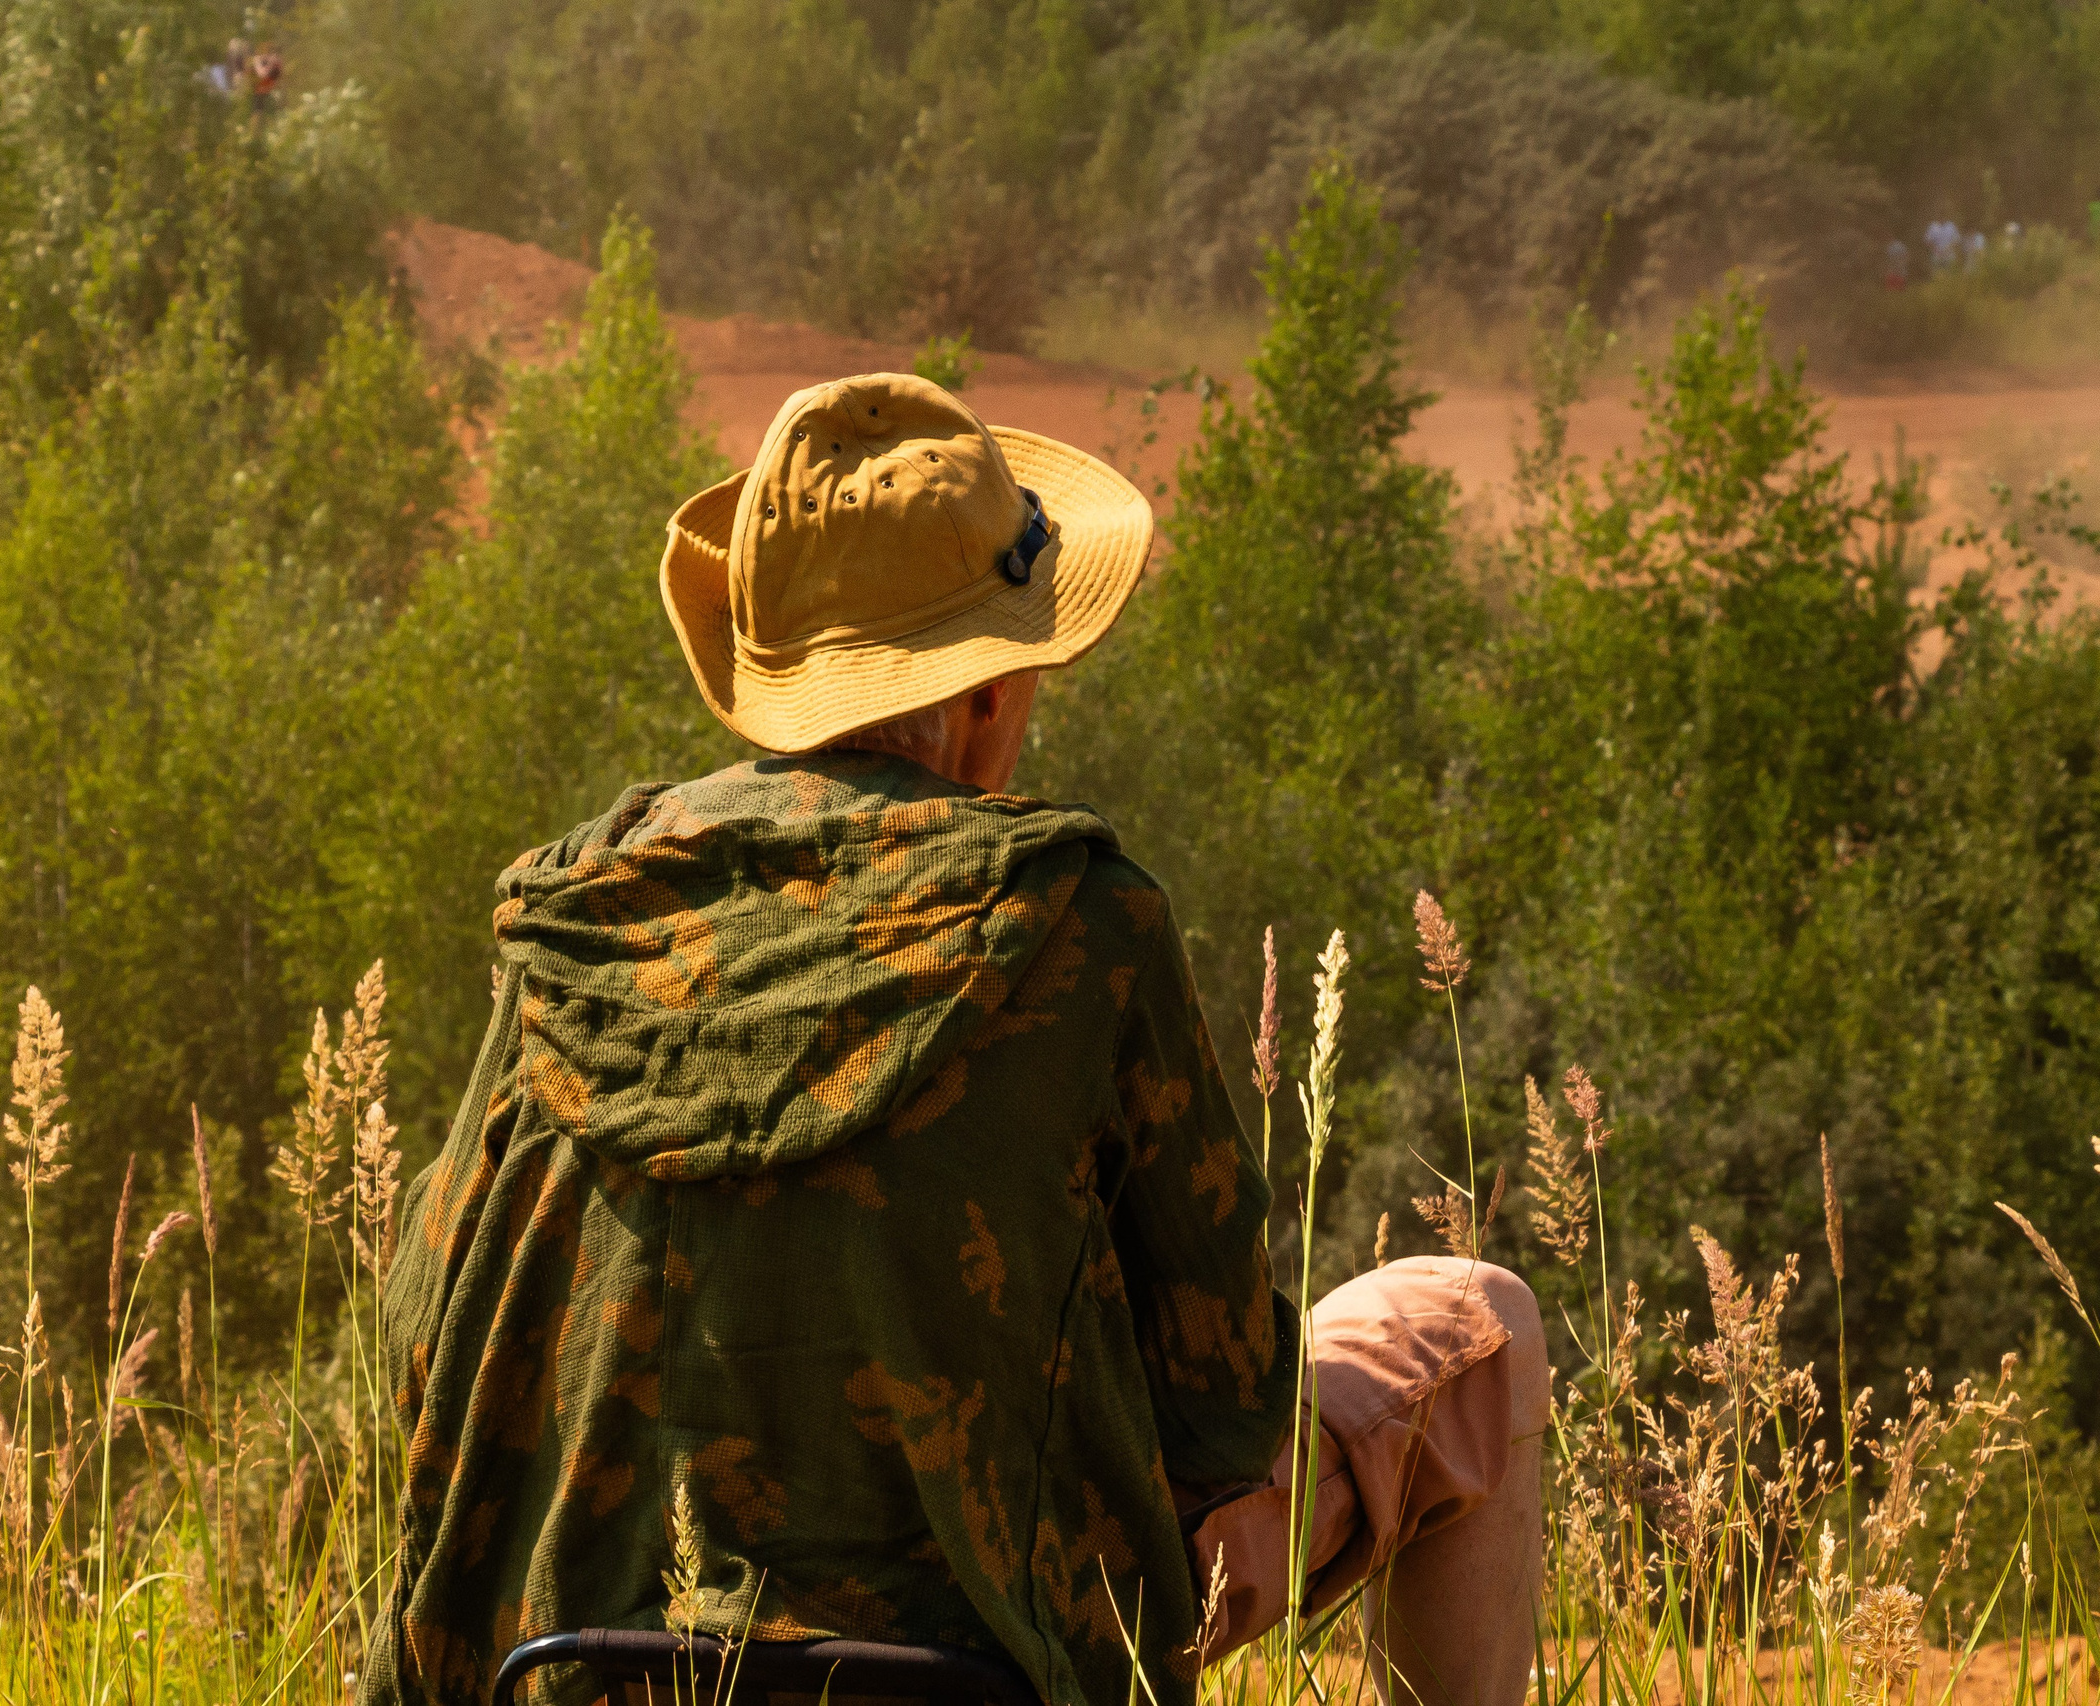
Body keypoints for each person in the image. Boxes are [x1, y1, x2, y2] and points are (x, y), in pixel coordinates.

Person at [359, 374, 1549, 1706]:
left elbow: (417, 1338)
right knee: (1475, 1325)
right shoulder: (1079, 921)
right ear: (984, 700)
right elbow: (1225, 1405)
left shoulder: (574, 923)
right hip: (980, 1681)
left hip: (567, 1679)